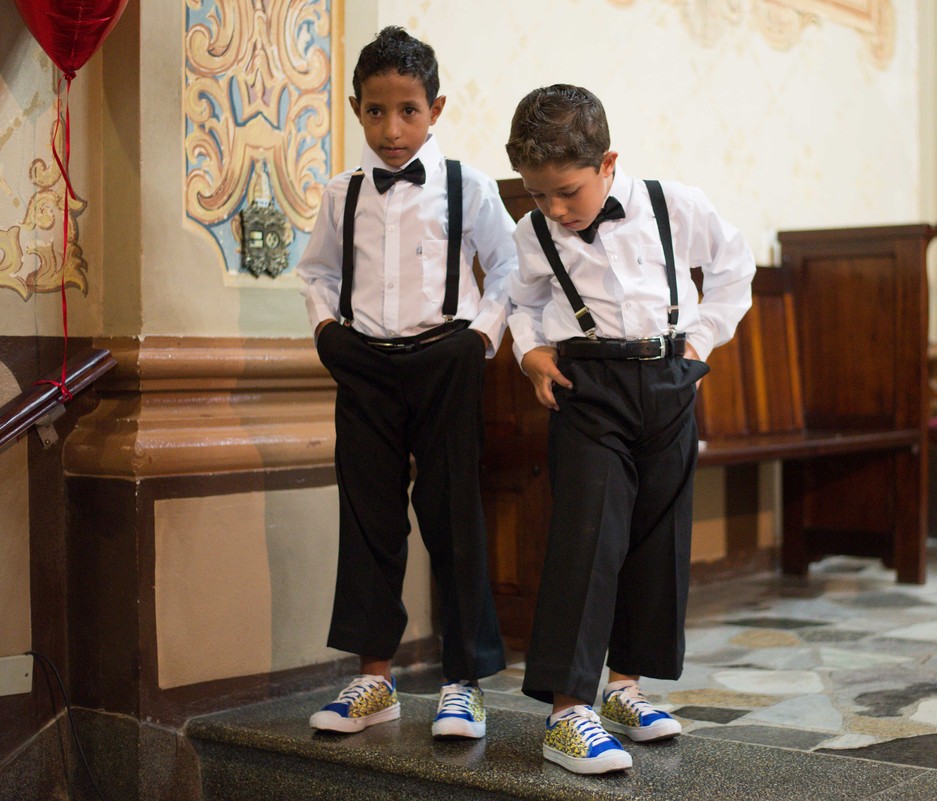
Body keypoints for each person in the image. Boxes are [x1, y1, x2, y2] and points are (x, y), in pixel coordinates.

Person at [504, 84, 754, 774]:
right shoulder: (533, 235)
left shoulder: (676, 204)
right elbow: (517, 299)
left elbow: (736, 266)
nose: (553, 209)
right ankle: (566, 712)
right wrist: (528, 350)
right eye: (538, 195)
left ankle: (625, 690)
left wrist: (701, 338)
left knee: (657, 538)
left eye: (566, 192)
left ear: (607, 162)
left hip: (670, 380)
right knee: (589, 536)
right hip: (588, 390)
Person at [297, 26, 513, 739]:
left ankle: (463, 681)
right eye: (376, 111)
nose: (392, 130)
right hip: (362, 361)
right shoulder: (343, 192)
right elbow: (318, 271)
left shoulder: (468, 187)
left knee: (454, 516)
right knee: (369, 515)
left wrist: (481, 336)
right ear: (356, 108)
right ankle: (374, 678)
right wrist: (328, 329)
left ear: (437, 107)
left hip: (446, 357)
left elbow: (510, 270)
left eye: (409, 111)